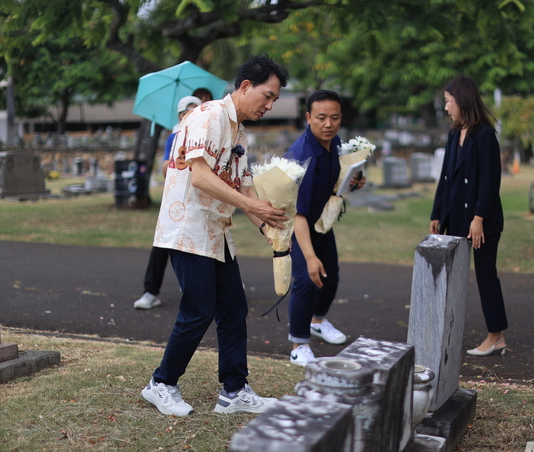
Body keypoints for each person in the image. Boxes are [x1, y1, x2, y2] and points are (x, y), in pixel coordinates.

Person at [141, 55, 290, 416]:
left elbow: (245, 185)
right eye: (266, 96)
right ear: (244, 86)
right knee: (198, 310)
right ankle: (161, 384)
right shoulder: (208, 115)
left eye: (275, 101)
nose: (269, 105)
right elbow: (201, 177)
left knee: (233, 307)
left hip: (216, 232)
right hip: (188, 228)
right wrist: (253, 209)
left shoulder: (239, 131)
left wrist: (269, 228)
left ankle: (234, 392)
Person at [285, 90, 365, 367]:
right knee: (306, 280)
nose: (328, 124)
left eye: (334, 117)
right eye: (321, 118)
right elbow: (298, 215)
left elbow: (331, 185)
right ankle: (298, 344)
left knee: (330, 277)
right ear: (308, 117)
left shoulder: (333, 142)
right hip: (296, 226)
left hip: (320, 222)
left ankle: (317, 320)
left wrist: (352, 181)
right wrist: (309, 256)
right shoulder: (304, 157)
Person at [429, 75, 508, 357]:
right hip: (456, 219)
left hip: (481, 222)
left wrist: (479, 218)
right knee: (453, 277)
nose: (447, 107)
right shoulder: (454, 133)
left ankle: (496, 336)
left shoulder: (484, 134)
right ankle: (446, 331)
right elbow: (446, 177)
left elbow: (490, 181)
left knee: (486, 276)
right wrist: (438, 212)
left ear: (462, 101)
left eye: (449, 102)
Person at [133, 95, 202, 310]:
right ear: (180, 115)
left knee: (204, 243)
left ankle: (210, 286)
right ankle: (150, 291)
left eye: (195, 111)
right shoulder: (174, 137)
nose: (190, 116)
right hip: (176, 200)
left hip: (201, 200)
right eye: (186, 112)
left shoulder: (206, 136)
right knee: (162, 244)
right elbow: (165, 169)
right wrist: (179, 156)